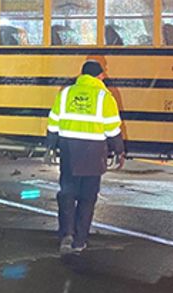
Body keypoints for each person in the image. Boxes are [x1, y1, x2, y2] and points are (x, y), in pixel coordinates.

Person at [45, 59, 125, 254]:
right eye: (103, 73)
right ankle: (80, 240)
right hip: (93, 153)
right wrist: (119, 150)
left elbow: (53, 124)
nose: (104, 76)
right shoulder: (104, 97)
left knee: (67, 194)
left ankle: (66, 234)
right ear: (99, 76)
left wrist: (50, 148)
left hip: (69, 152)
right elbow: (113, 129)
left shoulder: (66, 93)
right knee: (87, 198)